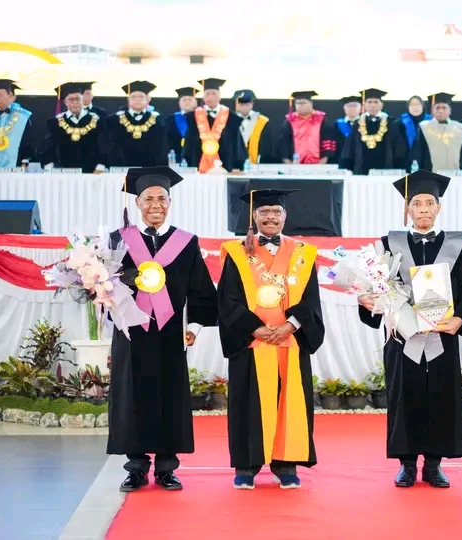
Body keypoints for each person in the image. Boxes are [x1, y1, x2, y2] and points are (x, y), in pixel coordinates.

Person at [357, 170, 462, 488]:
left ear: (438, 208)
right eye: (417, 203)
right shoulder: (389, 245)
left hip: (442, 336)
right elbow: (377, 287)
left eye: (430, 203)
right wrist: (367, 299)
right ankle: (406, 465)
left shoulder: (456, 245)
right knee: (406, 395)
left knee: (440, 398)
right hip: (403, 338)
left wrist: (460, 319)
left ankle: (433, 465)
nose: (424, 209)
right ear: (408, 209)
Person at [107, 166, 218, 492]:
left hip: (171, 332)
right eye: (148, 199)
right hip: (132, 331)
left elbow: (200, 289)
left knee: (170, 396)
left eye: (162, 198)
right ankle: (136, 467)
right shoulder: (118, 240)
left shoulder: (186, 242)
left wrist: (194, 327)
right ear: (137, 202)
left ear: (170, 202)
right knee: (132, 396)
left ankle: (167, 468)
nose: (155, 205)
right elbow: (107, 286)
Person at [217, 188, 324, 490]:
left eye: (276, 212)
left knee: (289, 401)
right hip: (251, 343)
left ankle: (286, 464)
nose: (270, 217)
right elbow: (228, 298)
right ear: (254, 216)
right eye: (264, 212)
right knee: (247, 403)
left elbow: (311, 299)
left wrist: (291, 325)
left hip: (290, 341)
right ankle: (247, 466)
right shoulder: (237, 252)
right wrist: (254, 328)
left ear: (285, 216)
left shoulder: (303, 253)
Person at [182, 78, 247, 173]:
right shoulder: (193, 117)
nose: (210, 97)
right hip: (198, 167)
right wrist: (187, 162)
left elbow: (237, 144)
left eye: (214, 94)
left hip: (225, 167)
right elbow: (189, 143)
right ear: (203, 97)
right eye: (207, 94)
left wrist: (237, 165)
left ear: (220, 96)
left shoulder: (231, 118)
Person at [98, 81, 168, 168]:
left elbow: (162, 148)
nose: (137, 99)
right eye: (134, 97)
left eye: (141, 97)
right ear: (128, 100)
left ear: (147, 99)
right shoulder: (113, 121)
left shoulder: (158, 121)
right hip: (120, 169)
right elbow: (106, 145)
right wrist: (102, 165)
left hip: (149, 169)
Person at [41, 82, 103, 173]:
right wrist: (49, 167)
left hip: (91, 173)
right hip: (62, 172)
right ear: (65, 102)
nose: (75, 102)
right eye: (71, 99)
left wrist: (100, 167)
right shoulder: (54, 123)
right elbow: (49, 148)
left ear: (83, 100)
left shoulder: (97, 121)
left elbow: (103, 145)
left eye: (78, 99)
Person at [340, 88, 406, 174]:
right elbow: (350, 148)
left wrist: (398, 169)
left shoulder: (391, 123)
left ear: (381, 105)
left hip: (386, 171)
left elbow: (398, 148)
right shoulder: (357, 124)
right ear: (364, 105)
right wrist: (347, 168)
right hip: (361, 171)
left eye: (376, 102)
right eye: (369, 102)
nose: (372, 105)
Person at [0, 79, 35, 172]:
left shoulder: (23, 116)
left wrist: (25, 161)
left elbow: (27, 141)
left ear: (9, 95)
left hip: (15, 166)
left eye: (0, 95)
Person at [412, 92, 462, 174]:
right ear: (433, 110)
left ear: (450, 110)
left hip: (456, 174)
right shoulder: (424, 127)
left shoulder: (460, 128)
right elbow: (419, 153)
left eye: (444, 108)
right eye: (437, 108)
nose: (441, 111)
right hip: (431, 174)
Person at [276, 91, 337, 164]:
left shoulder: (321, 119)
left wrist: (322, 162)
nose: (299, 106)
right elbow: (283, 143)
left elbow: (327, 141)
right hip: (295, 164)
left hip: (319, 164)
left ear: (311, 104)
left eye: (303, 103)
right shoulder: (290, 120)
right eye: (297, 103)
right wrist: (289, 163)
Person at [233, 89, 276, 164]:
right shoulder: (231, 120)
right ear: (237, 105)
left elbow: (266, 146)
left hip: (256, 163)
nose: (244, 107)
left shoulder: (262, 121)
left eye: (247, 105)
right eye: (241, 105)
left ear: (252, 105)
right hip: (235, 163)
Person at [166, 86, 199, 159]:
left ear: (196, 102)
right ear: (179, 103)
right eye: (184, 100)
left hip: (196, 156)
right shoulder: (171, 119)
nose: (187, 102)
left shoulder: (202, 118)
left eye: (190, 99)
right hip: (176, 156)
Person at [333, 95, 362, 163]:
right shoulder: (337, 124)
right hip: (341, 159)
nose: (352, 108)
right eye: (349, 106)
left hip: (362, 160)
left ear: (361, 108)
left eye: (355, 105)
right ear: (344, 108)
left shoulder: (366, 123)